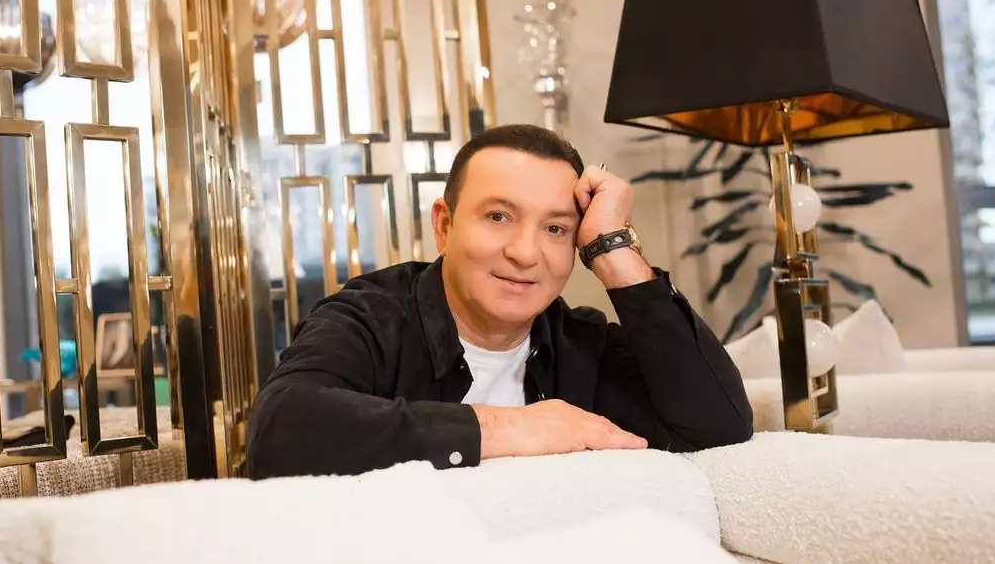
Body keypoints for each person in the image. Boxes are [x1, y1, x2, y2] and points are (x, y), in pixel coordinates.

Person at [247, 124, 753, 478]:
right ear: (444, 225)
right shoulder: (371, 317)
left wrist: (614, 250)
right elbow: (279, 432)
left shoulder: (581, 344)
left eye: (555, 229)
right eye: (498, 217)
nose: (524, 253)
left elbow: (718, 424)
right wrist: (514, 429)